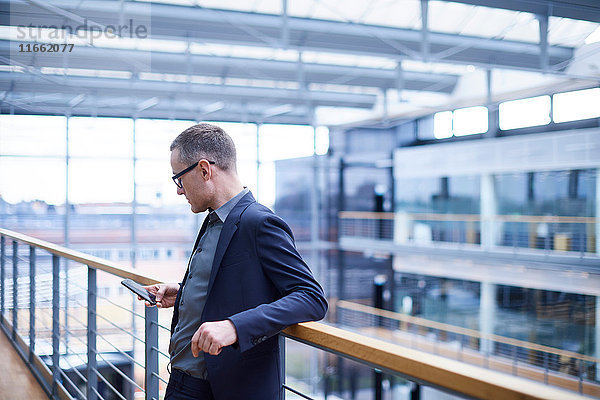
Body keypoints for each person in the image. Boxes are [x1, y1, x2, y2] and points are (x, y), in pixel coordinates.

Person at [141, 123, 328, 400]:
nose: (179, 190)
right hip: (182, 379)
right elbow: (235, 282)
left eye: (179, 178)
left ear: (204, 170)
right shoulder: (213, 218)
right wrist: (184, 292)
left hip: (218, 388)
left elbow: (312, 297)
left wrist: (234, 327)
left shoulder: (260, 222)